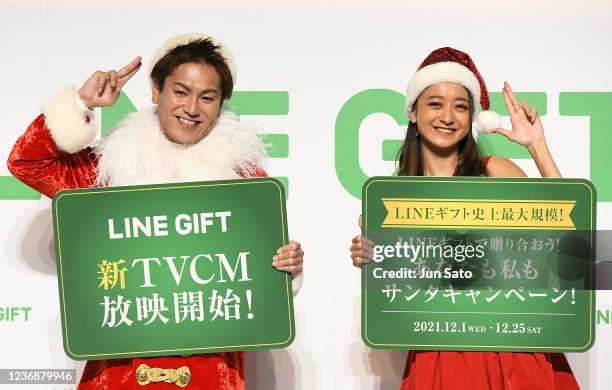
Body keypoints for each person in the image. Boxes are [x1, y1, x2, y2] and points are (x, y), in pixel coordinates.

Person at [8, 33, 304, 390]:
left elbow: (258, 283)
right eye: (180, 92)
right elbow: (28, 162)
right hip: (119, 375)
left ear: (221, 104)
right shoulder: (110, 168)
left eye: (207, 97)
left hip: (210, 374)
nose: (192, 108)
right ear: (155, 91)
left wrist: (287, 267)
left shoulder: (244, 179)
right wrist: (81, 103)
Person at [349, 47, 579, 389]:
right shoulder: (392, 197)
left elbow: (570, 234)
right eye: (435, 103)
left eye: (460, 106)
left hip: (512, 344)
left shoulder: (495, 172)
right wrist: (370, 258)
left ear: (472, 117)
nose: (448, 116)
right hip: (439, 350)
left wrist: (537, 146)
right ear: (413, 112)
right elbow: (396, 297)